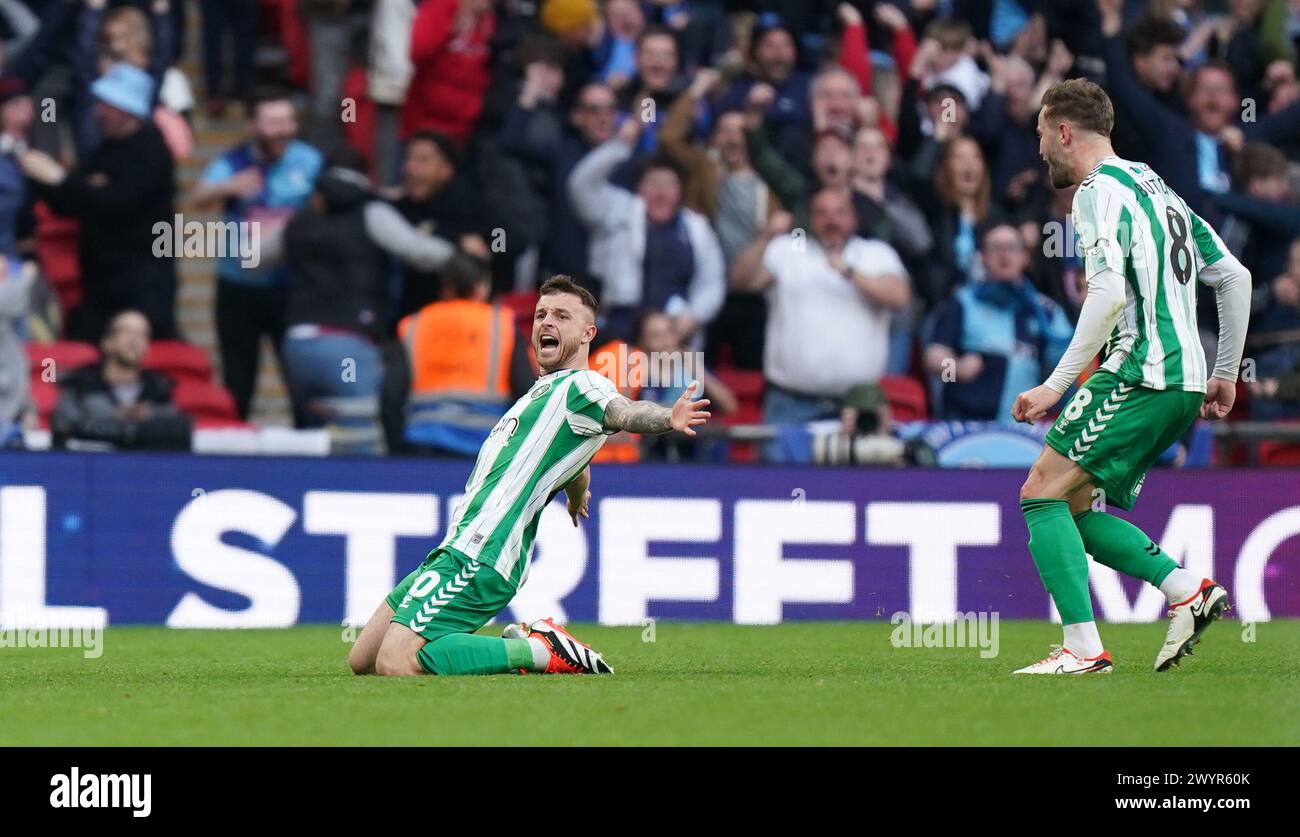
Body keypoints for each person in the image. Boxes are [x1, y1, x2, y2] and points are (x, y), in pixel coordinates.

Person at [346, 275, 712, 678]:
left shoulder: (584, 384)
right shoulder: (541, 395)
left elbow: (622, 413)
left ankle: (537, 651)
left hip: (480, 554)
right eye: (540, 314)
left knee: (396, 662)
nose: (546, 322)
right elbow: (576, 454)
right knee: (363, 658)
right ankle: (502, 647)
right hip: (455, 549)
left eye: (561, 315)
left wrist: (666, 417)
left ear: (588, 332)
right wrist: (577, 492)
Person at [1010, 79, 1251, 675]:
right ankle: (1185, 590)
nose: (1040, 148)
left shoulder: (1095, 191)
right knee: (1072, 507)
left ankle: (1083, 649)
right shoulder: (1155, 185)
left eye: (1041, 132)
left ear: (1064, 131)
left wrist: (1055, 385)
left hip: (1141, 370)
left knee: (1040, 494)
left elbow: (1109, 295)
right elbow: (1235, 276)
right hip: (1186, 380)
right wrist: (1224, 371)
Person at [730, 187, 909, 459]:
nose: (831, 220)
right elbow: (740, 282)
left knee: (854, 494)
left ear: (854, 218)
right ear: (809, 218)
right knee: (781, 492)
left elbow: (899, 297)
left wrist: (850, 273)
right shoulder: (788, 249)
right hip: (790, 404)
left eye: (840, 212)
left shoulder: (875, 254)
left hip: (858, 405)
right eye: (822, 213)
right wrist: (767, 236)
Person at [190, 90, 324, 421]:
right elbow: (198, 197)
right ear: (253, 127)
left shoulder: (309, 161)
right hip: (239, 287)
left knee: (300, 381)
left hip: (293, 288)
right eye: (273, 122)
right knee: (238, 381)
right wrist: (227, 187)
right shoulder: (234, 161)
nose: (283, 130)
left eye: (289, 121)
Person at [20, 62, 177, 342]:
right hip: (98, 283)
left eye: (106, 105)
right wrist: (46, 179)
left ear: (125, 109)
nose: (97, 111)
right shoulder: (102, 151)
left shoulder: (151, 150)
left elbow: (116, 202)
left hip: (140, 287)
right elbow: (71, 203)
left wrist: (61, 179)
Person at [925, 222, 1072, 421]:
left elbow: (1071, 365)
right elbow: (934, 356)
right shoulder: (963, 302)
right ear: (982, 257)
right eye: (995, 248)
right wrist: (956, 368)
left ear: (1025, 257)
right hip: (966, 428)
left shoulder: (1046, 311)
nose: (1004, 255)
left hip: (1022, 430)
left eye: (1012, 248)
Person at [397, 252, 534, 455]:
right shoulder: (501, 323)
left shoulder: (413, 325)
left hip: (423, 443)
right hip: (486, 445)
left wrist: (396, 450)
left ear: (445, 287)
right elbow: (524, 389)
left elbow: (392, 394)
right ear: (482, 286)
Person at [50, 309, 191, 450]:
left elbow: (174, 433)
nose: (135, 340)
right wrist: (114, 420)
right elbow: (64, 430)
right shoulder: (79, 386)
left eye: (143, 334)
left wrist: (148, 418)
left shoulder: (160, 389)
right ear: (107, 342)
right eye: (127, 332)